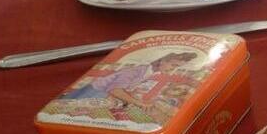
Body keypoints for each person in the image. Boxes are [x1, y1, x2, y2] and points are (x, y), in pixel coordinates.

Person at [61, 52, 197, 108]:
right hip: (91, 92)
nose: (173, 70)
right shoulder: (135, 71)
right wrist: (139, 103)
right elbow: (115, 89)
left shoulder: (147, 74)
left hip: (101, 94)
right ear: (162, 60)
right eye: (173, 65)